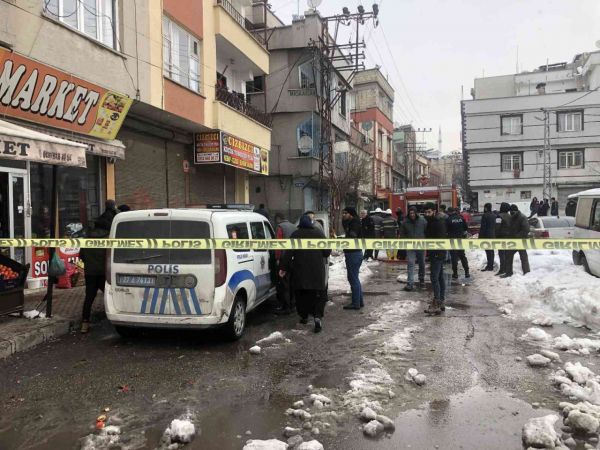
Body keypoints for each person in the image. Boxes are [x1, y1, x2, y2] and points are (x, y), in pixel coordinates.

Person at [279, 215, 331, 332]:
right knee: (317, 294)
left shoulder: (295, 235)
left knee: (301, 294)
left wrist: (283, 268)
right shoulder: (318, 234)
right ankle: (317, 316)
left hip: (300, 270)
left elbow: (288, 254)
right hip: (317, 270)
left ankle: (304, 316)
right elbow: (327, 252)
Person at [80, 220, 109, 333]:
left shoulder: (86, 239)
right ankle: (114, 318)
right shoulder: (108, 239)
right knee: (109, 295)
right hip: (104, 273)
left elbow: (81, 256)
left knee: (89, 298)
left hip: (90, 273)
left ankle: (84, 323)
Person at [424, 203, 448, 313]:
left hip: (437, 253)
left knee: (434, 277)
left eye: (429, 212)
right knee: (439, 277)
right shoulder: (431, 222)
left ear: (434, 211)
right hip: (435, 252)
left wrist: (439, 253)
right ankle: (441, 300)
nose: (426, 214)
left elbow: (441, 238)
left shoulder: (438, 223)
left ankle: (437, 302)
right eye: (425, 212)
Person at [274, 213, 297, 315]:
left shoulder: (280, 228)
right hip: (294, 258)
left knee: (284, 284)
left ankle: (286, 307)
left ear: (278, 219)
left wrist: (277, 258)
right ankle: (293, 304)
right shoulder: (294, 226)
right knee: (292, 283)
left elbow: (278, 244)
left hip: (284, 259)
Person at [341, 207, 364, 310]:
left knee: (353, 278)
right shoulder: (352, 222)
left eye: (345, 213)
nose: (343, 215)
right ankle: (359, 301)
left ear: (350, 214)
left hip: (353, 253)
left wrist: (344, 239)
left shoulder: (354, 223)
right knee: (355, 278)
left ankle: (356, 303)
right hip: (354, 253)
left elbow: (352, 236)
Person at [401, 207, 426, 291]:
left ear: (416, 213)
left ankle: (421, 278)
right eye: (410, 213)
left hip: (420, 245)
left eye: (413, 213)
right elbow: (402, 234)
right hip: (410, 246)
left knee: (421, 262)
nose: (412, 215)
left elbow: (426, 231)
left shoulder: (422, 221)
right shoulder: (405, 222)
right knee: (410, 263)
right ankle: (410, 283)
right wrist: (403, 243)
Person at [502, 204, 531, 278]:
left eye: (512, 212)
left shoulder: (522, 217)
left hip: (521, 241)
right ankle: (508, 272)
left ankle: (526, 273)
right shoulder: (512, 218)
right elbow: (510, 229)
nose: (511, 213)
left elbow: (526, 229)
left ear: (516, 211)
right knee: (508, 255)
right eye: (510, 212)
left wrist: (517, 236)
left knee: (523, 257)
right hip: (513, 241)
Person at [446, 208, 470, 279]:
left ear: (450, 212)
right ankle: (467, 272)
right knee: (462, 256)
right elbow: (466, 228)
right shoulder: (461, 218)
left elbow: (446, 230)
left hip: (452, 240)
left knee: (454, 257)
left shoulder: (449, 219)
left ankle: (455, 274)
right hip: (460, 239)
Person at [495, 202, 512, 276]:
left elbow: (497, 227)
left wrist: (495, 235)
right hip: (509, 237)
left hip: (501, 237)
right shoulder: (510, 216)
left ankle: (502, 269)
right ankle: (507, 269)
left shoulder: (499, 216)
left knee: (501, 254)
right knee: (507, 254)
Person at [479, 203, 497, 271]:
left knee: (488, 251)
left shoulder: (485, 215)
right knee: (491, 251)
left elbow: (483, 227)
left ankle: (489, 266)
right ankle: (491, 265)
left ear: (486, 208)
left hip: (486, 235)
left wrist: (480, 237)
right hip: (493, 235)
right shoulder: (494, 215)